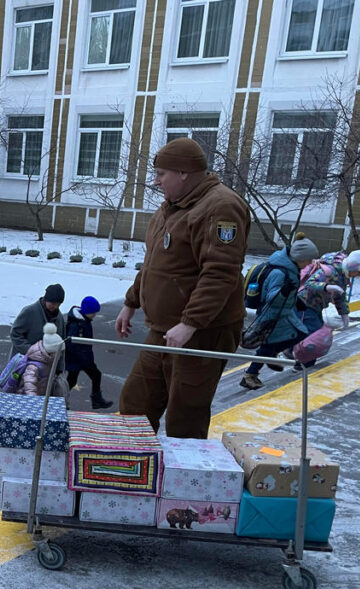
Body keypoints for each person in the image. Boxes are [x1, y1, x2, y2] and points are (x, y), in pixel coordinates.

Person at [115, 137, 249, 439]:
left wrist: (190, 323)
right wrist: (131, 301)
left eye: (162, 174)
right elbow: (157, 262)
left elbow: (220, 273)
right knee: (136, 401)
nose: (156, 181)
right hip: (165, 329)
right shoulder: (172, 207)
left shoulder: (221, 208)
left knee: (184, 416)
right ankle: (129, 471)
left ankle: (183, 483)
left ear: (183, 172)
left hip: (203, 332)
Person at [239, 235, 319, 390]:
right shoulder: (280, 273)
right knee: (271, 345)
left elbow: (288, 292)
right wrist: (284, 291)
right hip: (272, 315)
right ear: (299, 257)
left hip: (284, 312)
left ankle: (269, 358)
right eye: (308, 260)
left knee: (299, 333)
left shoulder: (291, 269)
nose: (310, 263)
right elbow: (270, 297)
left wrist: (297, 302)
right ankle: (249, 375)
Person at [293, 245, 360, 369]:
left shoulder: (342, 275)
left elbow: (340, 296)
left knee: (315, 334)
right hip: (303, 303)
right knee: (316, 334)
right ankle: (302, 362)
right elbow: (310, 283)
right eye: (358, 272)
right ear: (352, 266)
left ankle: (301, 361)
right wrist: (326, 287)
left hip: (315, 306)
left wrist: (344, 314)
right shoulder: (331, 271)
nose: (357, 276)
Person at [10, 285, 67, 393]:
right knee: (22, 394)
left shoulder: (59, 318)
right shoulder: (30, 311)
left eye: (57, 304)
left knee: (41, 400)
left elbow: (61, 344)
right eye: (52, 303)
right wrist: (32, 351)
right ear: (46, 299)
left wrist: (60, 368)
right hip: (24, 365)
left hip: (47, 370)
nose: (54, 306)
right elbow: (15, 334)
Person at [64, 296, 113, 409]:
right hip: (78, 359)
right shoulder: (77, 325)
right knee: (74, 380)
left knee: (77, 379)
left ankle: (95, 400)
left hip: (81, 358)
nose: (94, 315)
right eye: (93, 313)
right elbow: (72, 344)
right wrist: (85, 359)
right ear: (87, 311)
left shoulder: (84, 320)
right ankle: (60, 400)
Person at [18, 323, 64, 396]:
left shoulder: (47, 360)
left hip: (41, 395)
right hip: (27, 399)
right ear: (50, 351)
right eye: (58, 352)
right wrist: (33, 399)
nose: (60, 355)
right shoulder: (34, 366)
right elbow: (29, 384)